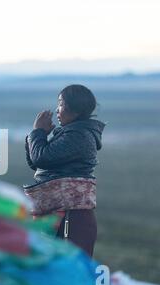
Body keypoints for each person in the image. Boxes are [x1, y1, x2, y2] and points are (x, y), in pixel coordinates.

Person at [25, 84, 105, 256]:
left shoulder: (78, 136)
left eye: (60, 103)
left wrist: (38, 132)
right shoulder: (71, 133)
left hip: (69, 215)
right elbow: (38, 163)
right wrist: (39, 135)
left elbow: (41, 158)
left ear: (74, 109)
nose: (57, 109)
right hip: (61, 212)